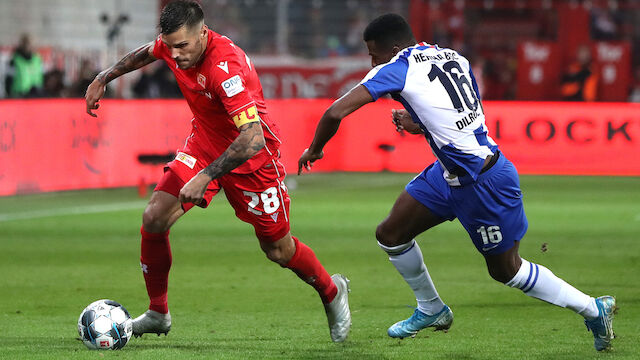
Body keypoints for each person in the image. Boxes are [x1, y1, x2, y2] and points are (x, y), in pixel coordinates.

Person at [298, 13, 616, 351]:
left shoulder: (396, 67)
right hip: (450, 172)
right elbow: (463, 110)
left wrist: (315, 149)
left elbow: (335, 112)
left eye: (373, 53)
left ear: (393, 48)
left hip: (484, 181)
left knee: (506, 270)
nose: (371, 61)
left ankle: (592, 308)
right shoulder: (451, 55)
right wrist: (419, 122)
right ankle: (431, 308)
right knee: (391, 234)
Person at [85, 0, 351, 342]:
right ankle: (158, 312)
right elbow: (147, 53)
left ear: (203, 34)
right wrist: (103, 76)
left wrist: (207, 176)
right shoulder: (173, 46)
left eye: (182, 46)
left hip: (253, 161)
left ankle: (332, 292)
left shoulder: (226, 69)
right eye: (170, 46)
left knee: (277, 250)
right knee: (154, 218)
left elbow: (252, 138)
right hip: (204, 144)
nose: (175, 55)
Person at [4, 34, 43, 98]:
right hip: (18, 95)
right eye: (25, 43)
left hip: (36, 96)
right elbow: (8, 80)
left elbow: (42, 76)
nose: (27, 46)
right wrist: (9, 95)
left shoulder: (38, 59)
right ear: (21, 44)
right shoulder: (14, 60)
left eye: (29, 43)